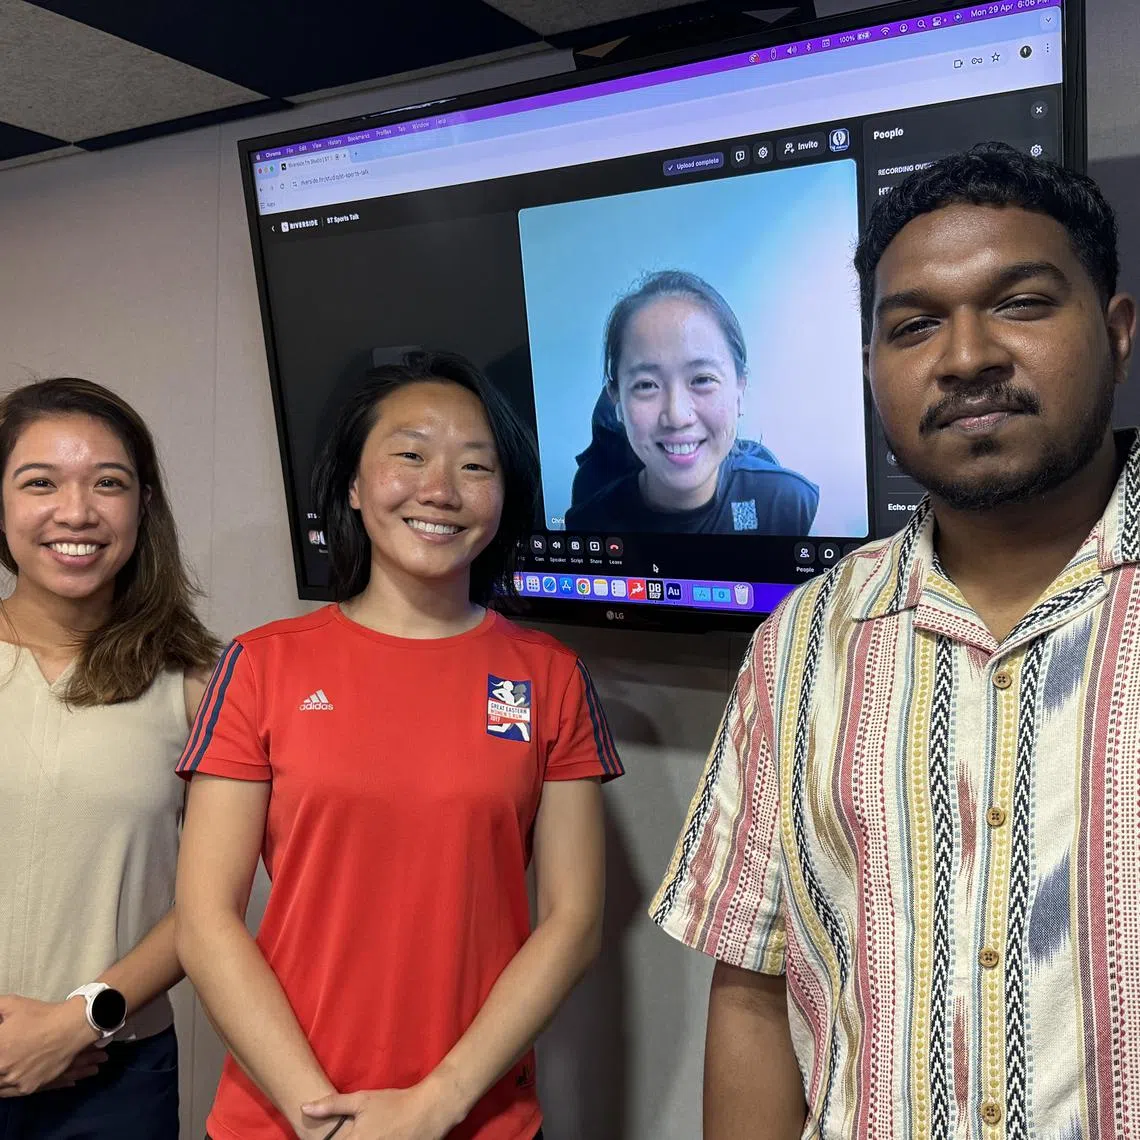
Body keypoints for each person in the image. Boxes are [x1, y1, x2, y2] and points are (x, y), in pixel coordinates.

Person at [651, 142, 1138, 1139]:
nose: (966, 358)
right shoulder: (801, 644)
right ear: (874, 369)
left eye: (1021, 303)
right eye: (915, 325)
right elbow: (754, 993)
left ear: (1117, 330)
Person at [175, 350, 622, 1140]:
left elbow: (574, 919)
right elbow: (205, 921)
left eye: (475, 466)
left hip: (476, 1118)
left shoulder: (549, 677)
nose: (441, 489)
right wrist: (318, 1116)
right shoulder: (262, 665)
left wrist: (436, 1103)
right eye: (410, 455)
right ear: (353, 484)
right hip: (281, 1118)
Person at [0, 377, 219, 1137]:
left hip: (116, 1079)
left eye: (108, 483)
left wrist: (80, 1020)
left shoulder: (198, 682)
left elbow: (211, 901)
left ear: (143, 506)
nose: (76, 512)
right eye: (40, 482)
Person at [565, 270, 818, 535]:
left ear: (739, 389)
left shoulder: (793, 507)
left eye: (702, 379)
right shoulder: (588, 526)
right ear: (616, 397)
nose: (676, 416)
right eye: (646, 385)